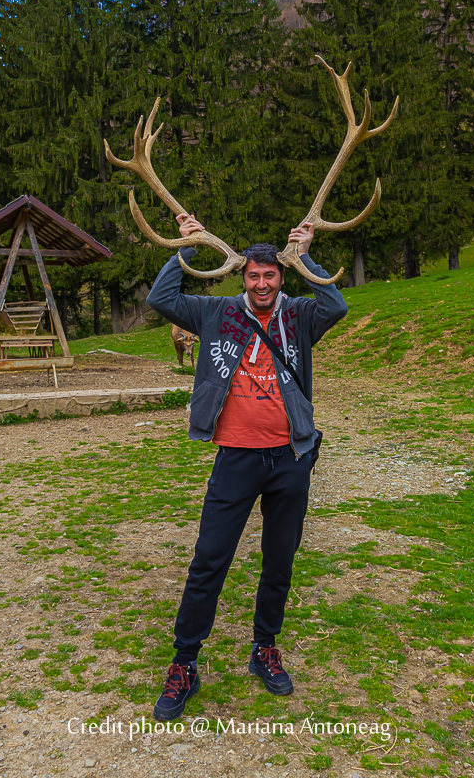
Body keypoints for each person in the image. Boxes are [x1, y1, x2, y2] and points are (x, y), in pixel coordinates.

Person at [146, 213, 348, 720]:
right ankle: (185, 662)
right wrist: (189, 247)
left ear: (279, 278)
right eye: (254, 276)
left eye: (270, 276)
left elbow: (336, 303)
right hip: (235, 456)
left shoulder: (299, 315)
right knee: (209, 559)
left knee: (279, 560)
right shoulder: (216, 313)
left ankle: (264, 649)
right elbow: (161, 300)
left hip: (290, 458)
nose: (262, 284)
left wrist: (303, 257)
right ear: (244, 278)